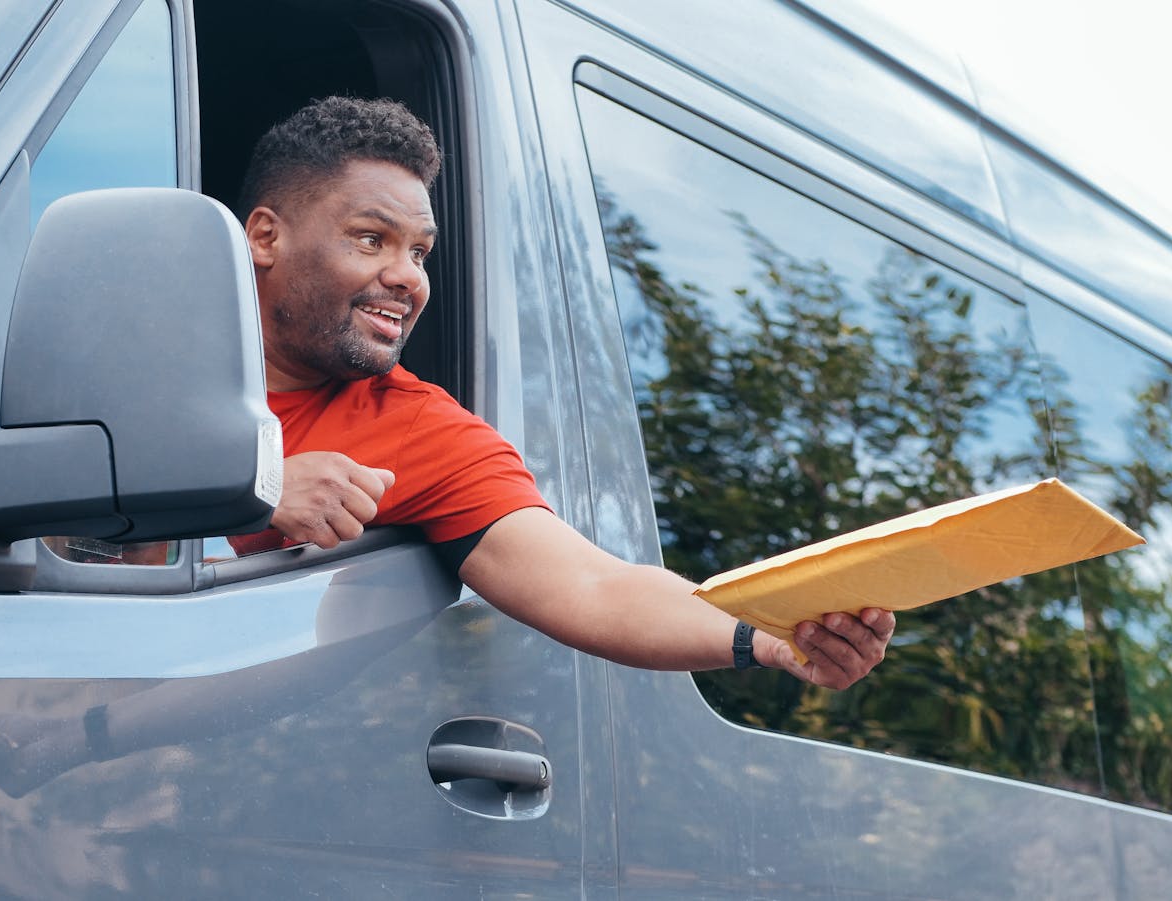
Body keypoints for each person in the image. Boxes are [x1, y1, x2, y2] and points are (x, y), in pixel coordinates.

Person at [230, 96, 894, 689]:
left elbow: (595, 585)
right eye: (372, 239)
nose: (407, 278)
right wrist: (252, 489)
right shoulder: (137, 344)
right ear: (266, 237)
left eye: (420, 253)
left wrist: (768, 634)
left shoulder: (419, 429)